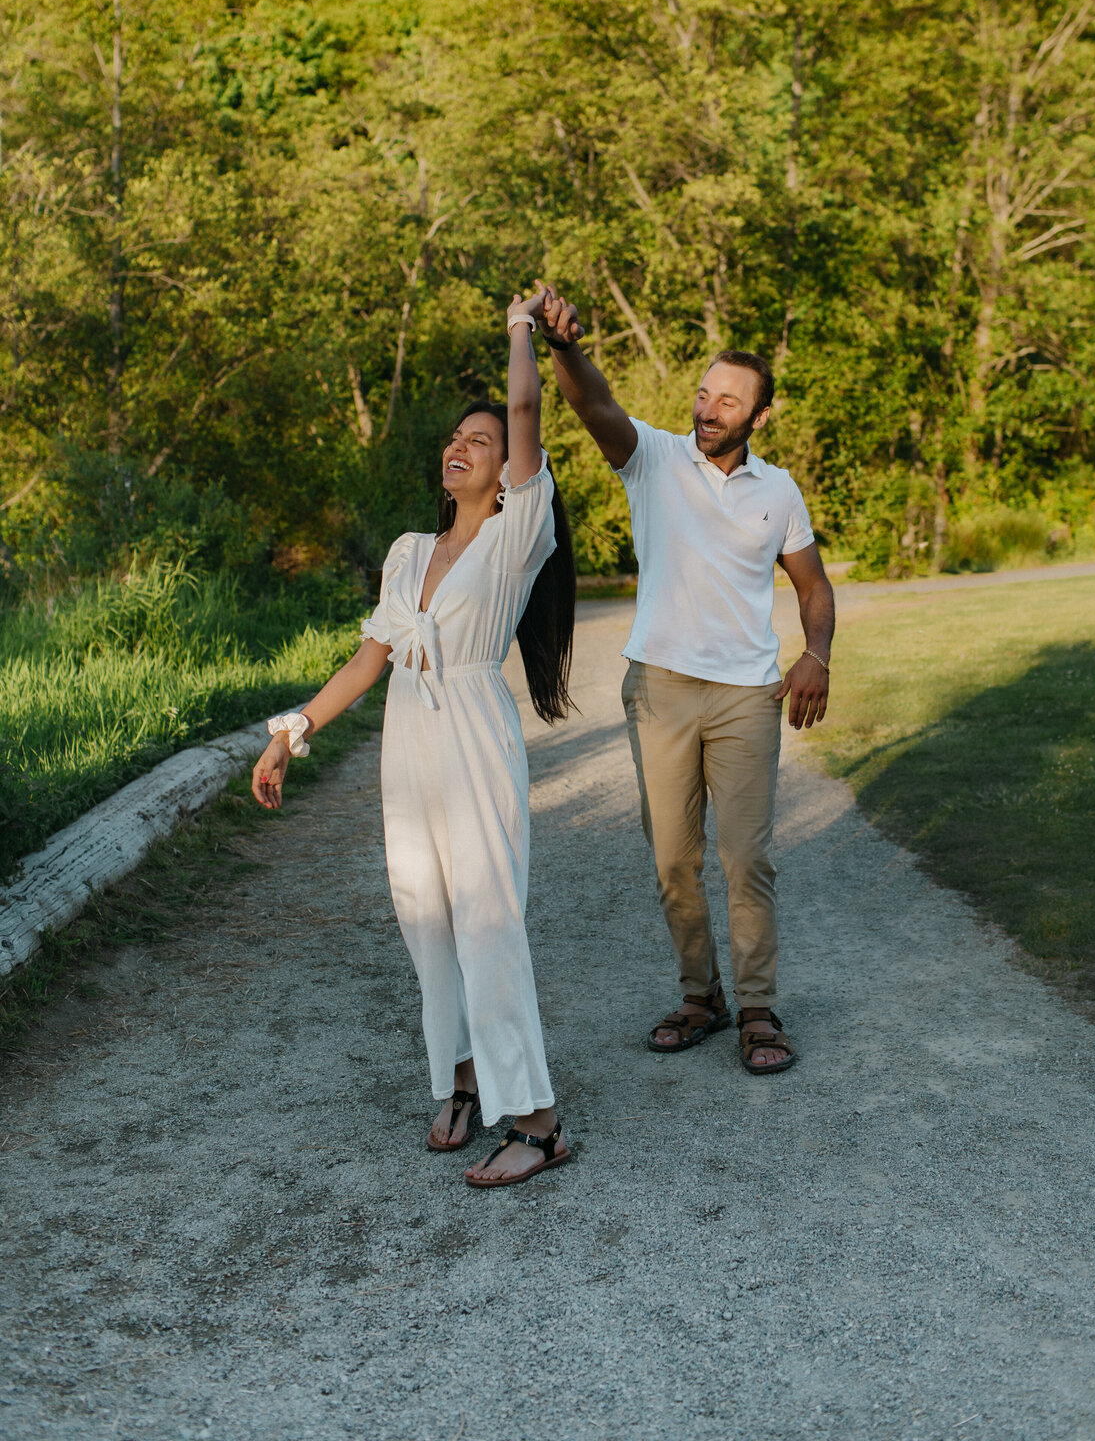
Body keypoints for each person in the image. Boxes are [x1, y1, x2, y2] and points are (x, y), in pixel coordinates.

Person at [250, 291, 574, 1187]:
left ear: (510, 465)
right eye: (453, 439)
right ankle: (463, 1080)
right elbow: (369, 661)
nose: (459, 447)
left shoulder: (518, 535)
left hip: (473, 741)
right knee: (425, 917)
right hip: (408, 754)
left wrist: (521, 327)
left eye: (479, 440)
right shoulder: (405, 552)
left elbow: (525, 407)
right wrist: (292, 732)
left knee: (486, 925)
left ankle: (540, 1125)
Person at [534, 283, 834, 1075]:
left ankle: (759, 1008)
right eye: (704, 392)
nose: (709, 407)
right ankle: (700, 997)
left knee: (746, 858)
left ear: (758, 416)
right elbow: (595, 407)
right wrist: (564, 346)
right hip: (660, 688)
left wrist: (817, 654)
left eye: (729, 400)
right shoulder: (655, 459)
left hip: (745, 698)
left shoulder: (779, 490)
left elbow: (813, 588)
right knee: (673, 858)